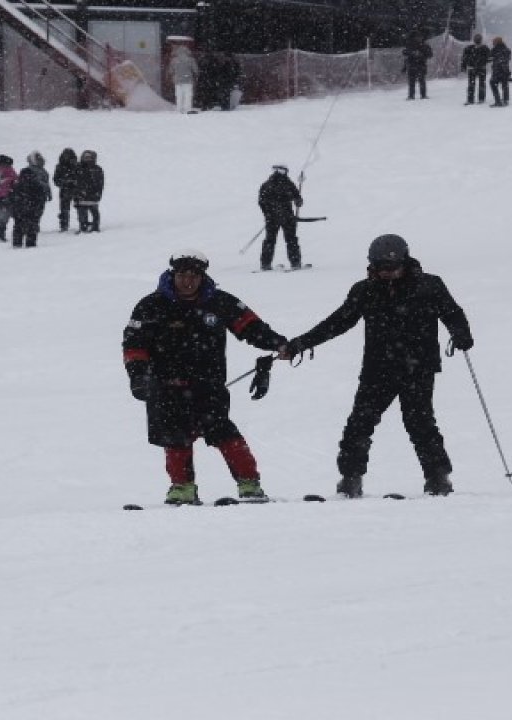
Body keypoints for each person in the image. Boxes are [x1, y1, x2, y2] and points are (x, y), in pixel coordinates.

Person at [280, 234, 473, 498]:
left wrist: (461, 333)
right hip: (378, 368)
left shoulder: (429, 285)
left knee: (420, 423)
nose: (388, 274)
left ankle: (438, 478)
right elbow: (339, 322)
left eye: (393, 268)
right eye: (381, 268)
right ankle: (350, 479)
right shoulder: (364, 290)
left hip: (419, 368)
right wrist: (300, 344)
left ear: (405, 262)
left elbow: (452, 312)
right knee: (360, 423)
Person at [123, 250, 288, 505]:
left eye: (194, 276)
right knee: (176, 439)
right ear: (172, 275)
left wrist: (278, 344)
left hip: (208, 385)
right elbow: (134, 344)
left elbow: (251, 327)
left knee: (224, 433)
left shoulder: (219, 301)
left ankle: (249, 484)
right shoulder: (151, 306)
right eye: (182, 275)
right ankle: (182, 488)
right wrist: (138, 376)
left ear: (202, 277)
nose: (188, 281)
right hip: (166, 387)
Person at [257, 164, 304, 271]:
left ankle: (267, 264)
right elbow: (262, 202)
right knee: (287, 240)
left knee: (275, 240)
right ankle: (294, 263)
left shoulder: (283, 184)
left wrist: (298, 201)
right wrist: (269, 214)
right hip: (281, 218)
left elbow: (297, 197)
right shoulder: (276, 184)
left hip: (280, 218)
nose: (284, 173)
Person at [9, 151, 52, 248]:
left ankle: (20, 242)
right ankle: (27, 242)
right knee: (29, 222)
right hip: (31, 201)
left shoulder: (42, 172)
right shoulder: (31, 172)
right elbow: (43, 186)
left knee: (24, 223)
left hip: (30, 201)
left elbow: (45, 185)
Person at [74, 149, 104, 233]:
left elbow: (100, 183)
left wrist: (98, 193)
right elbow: (75, 182)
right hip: (81, 195)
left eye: (89, 157)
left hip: (93, 194)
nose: (87, 159)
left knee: (95, 212)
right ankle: (83, 227)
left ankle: (95, 227)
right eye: (85, 157)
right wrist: (76, 194)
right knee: (82, 213)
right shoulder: (78, 168)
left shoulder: (97, 169)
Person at [52, 148, 80, 232]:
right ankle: (64, 226)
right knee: (64, 210)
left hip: (75, 190)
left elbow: (81, 177)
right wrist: (65, 182)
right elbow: (56, 180)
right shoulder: (59, 166)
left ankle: (82, 224)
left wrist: (75, 182)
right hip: (65, 190)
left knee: (80, 208)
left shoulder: (77, 165)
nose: (67, 157)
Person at [460, 34, 492, 105]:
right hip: (481, 68)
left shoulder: (469, 48)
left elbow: (464, 58)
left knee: (471, 84)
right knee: (481, 84)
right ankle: (481, 99)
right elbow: (490, 58)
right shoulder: (485, 48)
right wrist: (483, 61)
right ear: (481, 40)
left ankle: (470, 100)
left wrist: (463, 67)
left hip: (472, 68)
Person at [402, 31, 433, 100]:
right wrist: (412, 53)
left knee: (421, 81)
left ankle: (423, 95)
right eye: (417, 37)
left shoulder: (425, 45)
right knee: (412, 82)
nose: (419, 38)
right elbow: (404, 53)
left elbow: (430, 54)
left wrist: (422, 55)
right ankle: (411, 95)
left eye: (420, 37)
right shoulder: (410, 44)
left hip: (421, 65)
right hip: (412, 65)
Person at [168, 46, 199, 114]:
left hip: (177, 81)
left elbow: (170, 71)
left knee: (179, 95)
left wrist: (175, 74)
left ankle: (179, 109)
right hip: (188, 80)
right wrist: (195, 75)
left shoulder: (174, 60)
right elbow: (195, 70)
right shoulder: (190, 60)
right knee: (188, 95)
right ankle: (187, 109)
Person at [489, 36, 512, 107]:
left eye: (494, 42)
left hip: (497, 70)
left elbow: (489, 58)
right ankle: (505, 101)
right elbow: (508, 59)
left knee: (493, 83)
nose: (493, 43)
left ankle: (498, 101)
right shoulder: (507, 50)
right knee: (505, 85)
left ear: (496, 42)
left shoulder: (494, 50)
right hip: (505, 70)